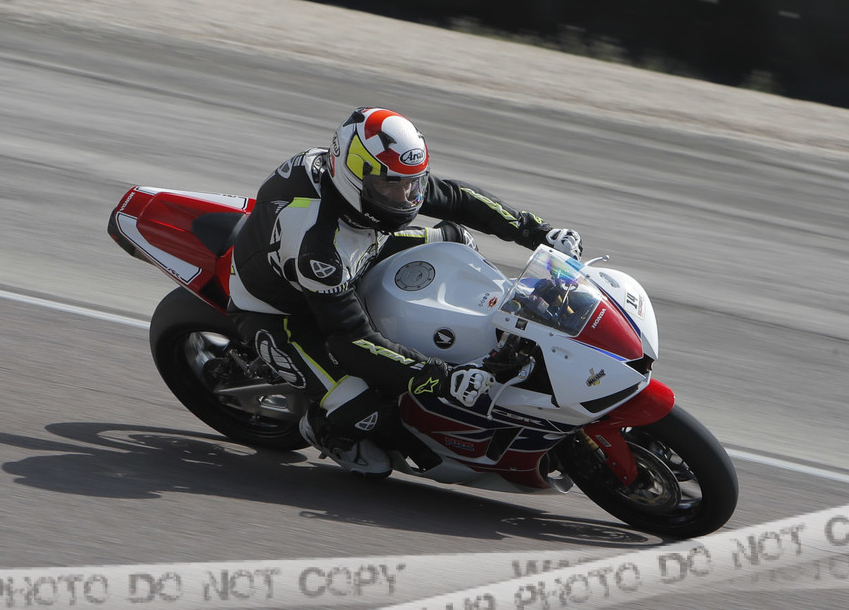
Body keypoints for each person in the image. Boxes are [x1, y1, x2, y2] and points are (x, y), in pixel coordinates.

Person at [227, 108, 583, 475]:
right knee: (361, 409)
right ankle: (324, 429)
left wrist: (537, 232)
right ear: (353, 178)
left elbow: (456, 198)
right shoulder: (320, 250)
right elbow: (350, 341)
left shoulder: (373, 178)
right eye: (390, 186)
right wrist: (442, 377)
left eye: (412, 183)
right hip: (281, 312)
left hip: (359, 251)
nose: (405, 197)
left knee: (456, 239)